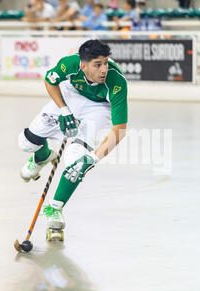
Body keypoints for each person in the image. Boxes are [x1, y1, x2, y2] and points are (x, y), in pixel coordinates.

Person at [18, 40, 128, 232]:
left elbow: (120, 127)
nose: (104, 70)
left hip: (98, 107)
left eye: (105, 63)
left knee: (77, 161)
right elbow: (50, 80)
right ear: (82, 65)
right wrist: (64, 110)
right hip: (71, 94)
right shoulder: (69, 63)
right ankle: (43, 156)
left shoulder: (116, 81)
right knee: (26, 143)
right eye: (97, 64)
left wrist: (94, 157)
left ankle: (55, 208)